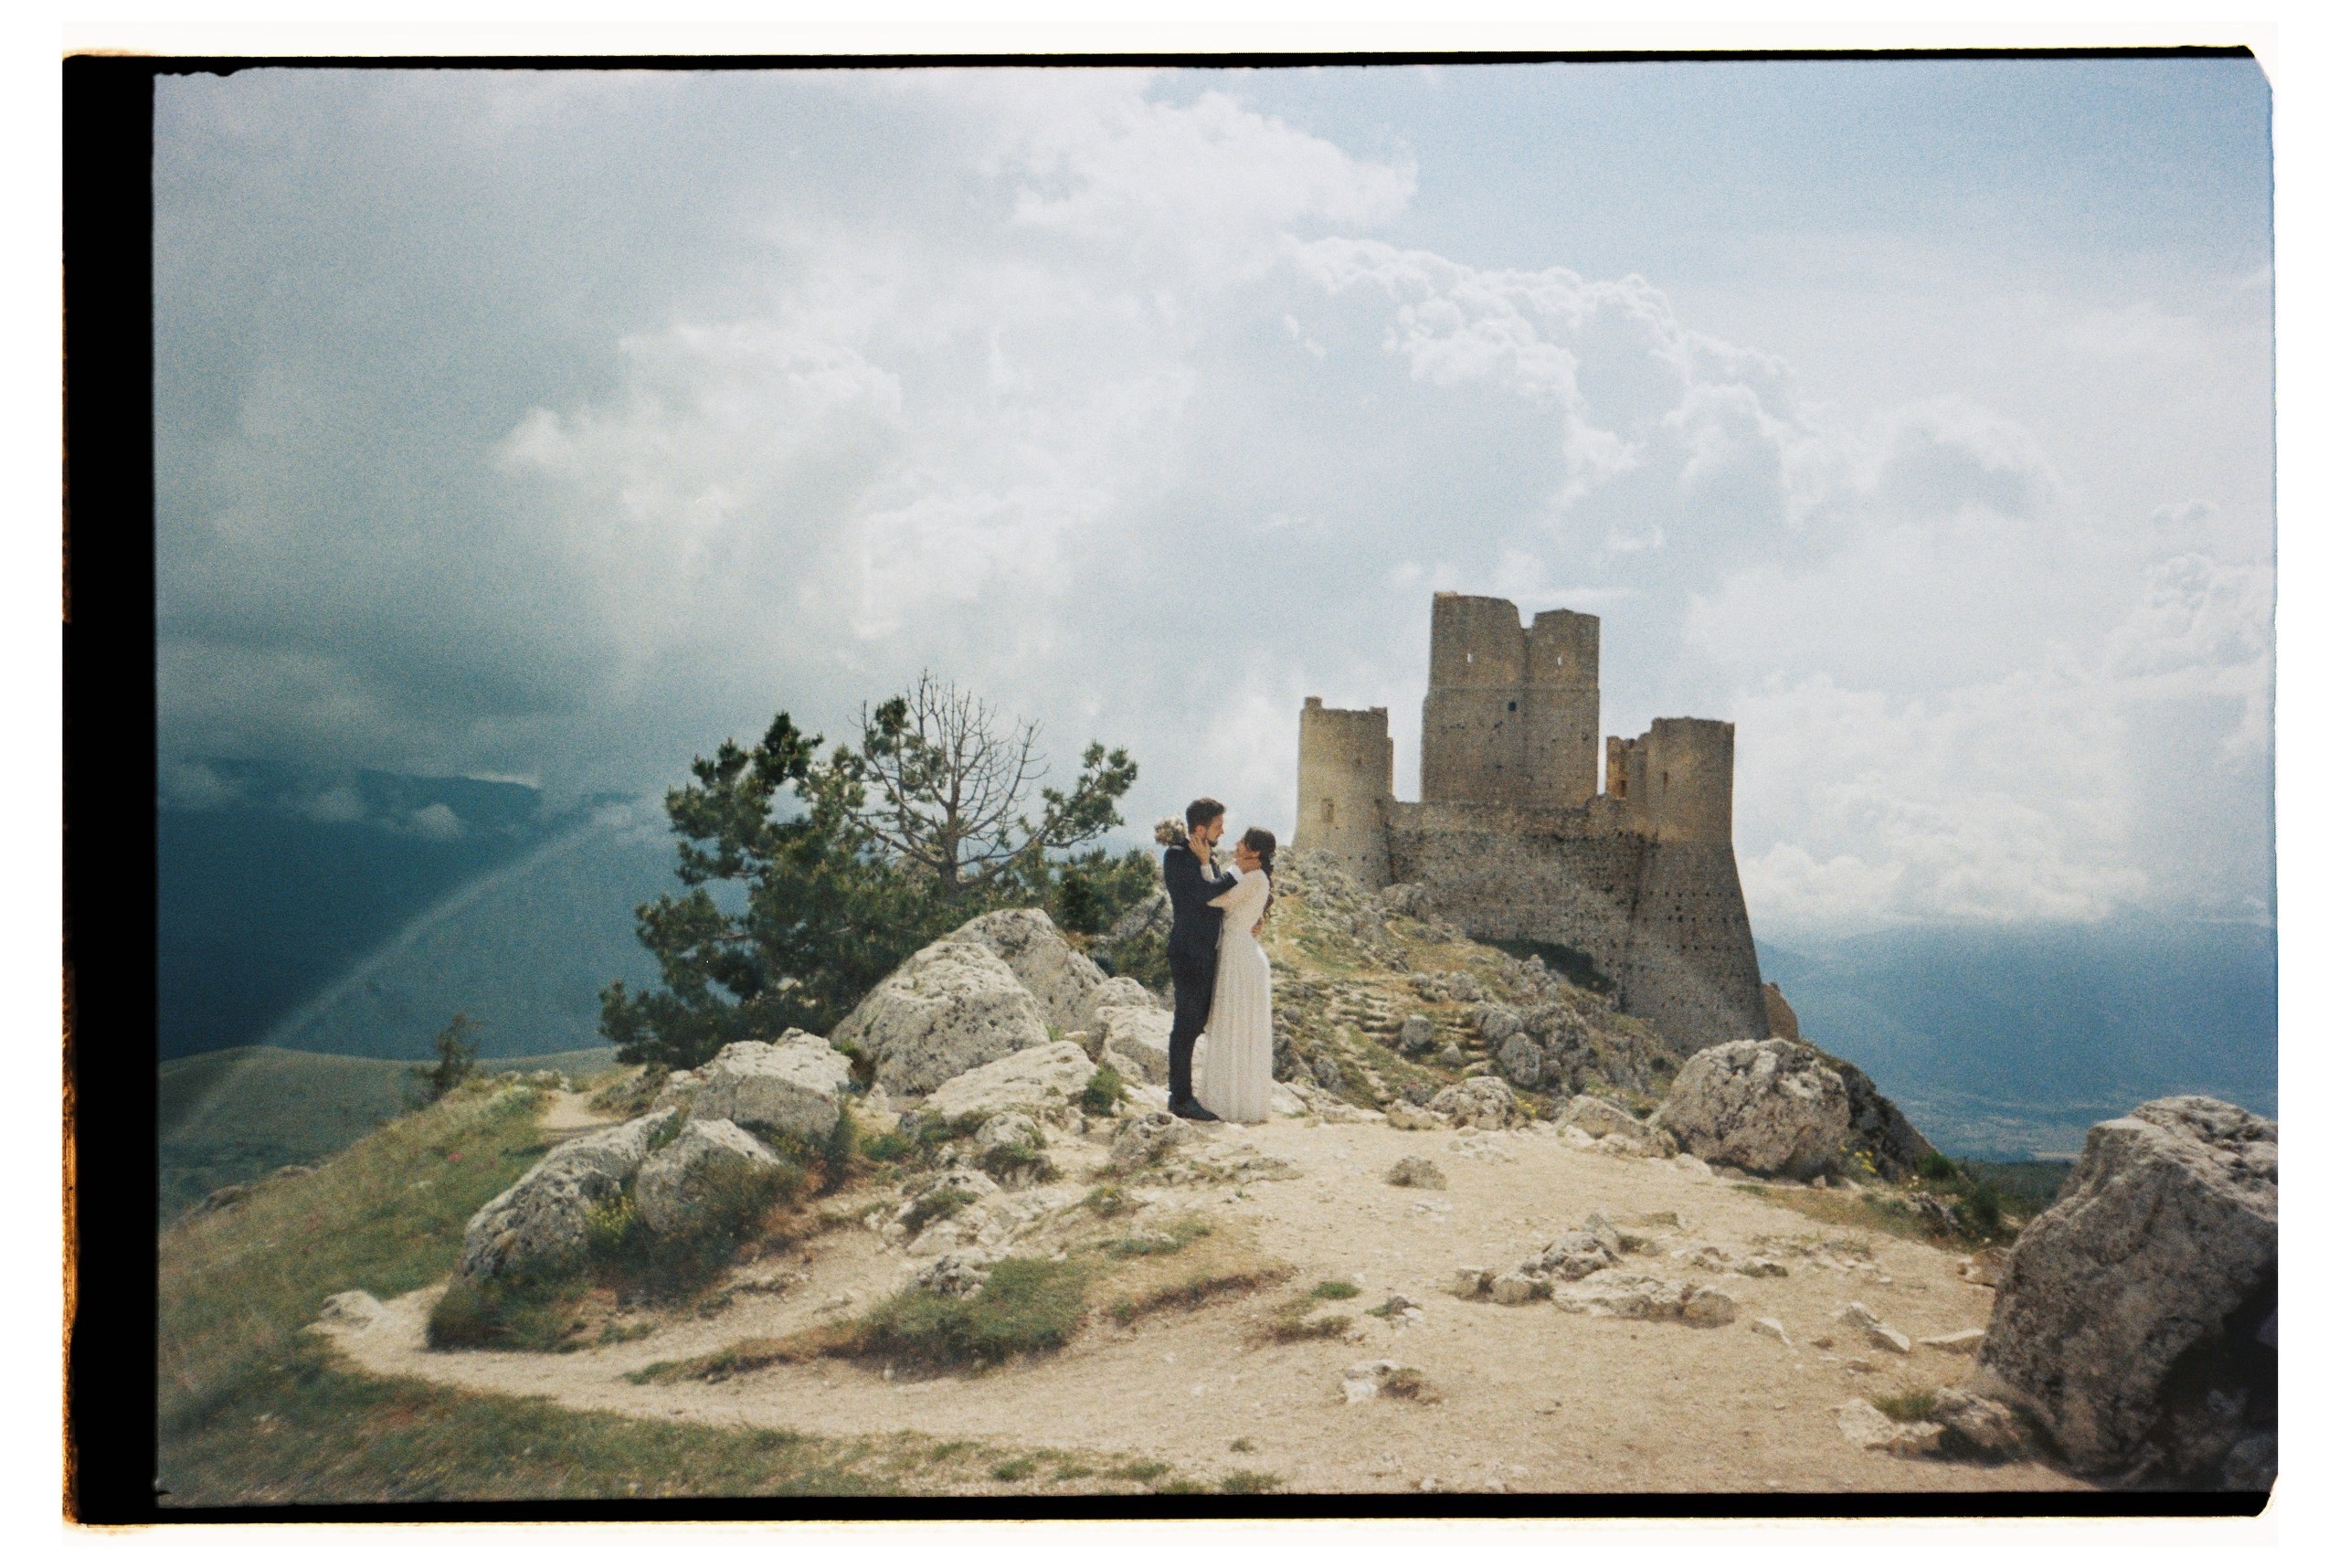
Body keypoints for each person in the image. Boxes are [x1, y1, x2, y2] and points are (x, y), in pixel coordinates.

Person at [1161, 797, 1239, 1120]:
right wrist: (1237, 872)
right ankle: (1180, 1098)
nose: (1222, 832)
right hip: (1188, 953)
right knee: (1186, 1024)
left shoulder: (1206, 856)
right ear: (1200, 828)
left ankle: (1187, 1093)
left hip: (1206, 952)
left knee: (1197, 1022)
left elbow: (1217, 900)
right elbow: (1207, 894)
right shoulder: (1177, 856)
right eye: (1218, 826)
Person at [1195, 827, 1276, 1123]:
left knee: (1234, 1025)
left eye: (1243, 842)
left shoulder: (1255, 878)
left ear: (1255, 851)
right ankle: (1236, 1098)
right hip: (1238, 950)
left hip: (1239, 955)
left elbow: (1216, 899)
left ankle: (1230, 1102)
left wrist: (1205, 865)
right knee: (1234, 1025)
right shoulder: (1250, 875)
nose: (1237, 843)